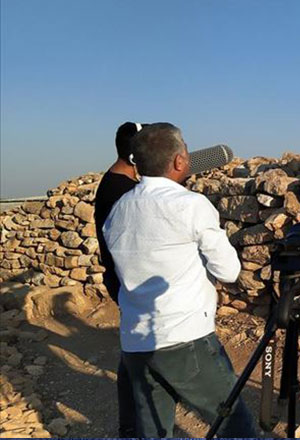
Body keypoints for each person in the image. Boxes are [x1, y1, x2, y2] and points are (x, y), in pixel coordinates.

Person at [103, 123, 256, 437]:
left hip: (135, 344)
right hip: (185, 339)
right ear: (179, 162)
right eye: (185, 148)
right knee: (235, 426)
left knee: (155, 431)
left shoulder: (118, 211)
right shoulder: (190, 205)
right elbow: (229, 271)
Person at [93, 121, 143, 437]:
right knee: (136, 355)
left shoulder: (115, 183)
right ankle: (132, 427)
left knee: (134, 351)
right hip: (129, 283)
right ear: (136, 156)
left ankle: (131, 425)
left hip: (122, 280)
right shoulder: (122, 192)